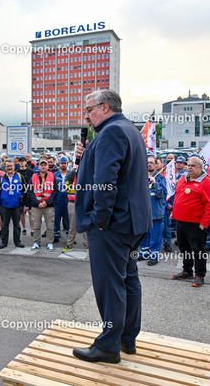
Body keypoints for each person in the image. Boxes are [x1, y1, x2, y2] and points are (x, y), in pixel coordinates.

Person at [72, 89, 152, 364]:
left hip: (113, 224)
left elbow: (106, 181)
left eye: (89, 109)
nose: (86, 115)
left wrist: (100, 220)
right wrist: (87, 154)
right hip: (132, 221)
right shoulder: (127, 129)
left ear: (105, 107)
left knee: (110, 284)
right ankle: (127, 338)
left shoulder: (111, 132)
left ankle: (108, 345)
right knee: (128, 278)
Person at [171, 157, 210, 287]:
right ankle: (187, 271)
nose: (189, 168)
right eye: (188, 165)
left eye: (193, 166)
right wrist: (174, 212)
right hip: (181, 221)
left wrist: (205, 222)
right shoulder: (183, 178)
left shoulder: (207, 182)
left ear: (200, 168)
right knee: (184, 248)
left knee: (198, 251)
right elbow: (178, 196)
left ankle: (200, 275)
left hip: (196, 224)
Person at [138, 155, 167, 265]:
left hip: (155, 213)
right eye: (147, 162)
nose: (149, 164)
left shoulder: (160, 178)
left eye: (151, 162)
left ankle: (154, 256)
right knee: (144, 235)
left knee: (155, 236)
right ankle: (144, 253)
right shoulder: (140, 177)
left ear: (155, 165)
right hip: (143, 213)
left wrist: (155, 184)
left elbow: (162, 195)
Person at [0, 160, 27, 249]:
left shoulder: (20, 177)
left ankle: (17, 242)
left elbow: (25, 191)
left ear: (14, 166)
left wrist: (25, 205)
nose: (9, 168)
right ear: (5, 168)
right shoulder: (1, 178)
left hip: (16, 205)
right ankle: (4, 242)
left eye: (11, 166)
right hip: (4, 206)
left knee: (17, 225)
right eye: (7, 166)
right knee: (5, 225)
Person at [28, 159, 58, 251]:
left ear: (48, 166)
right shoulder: (33, 177)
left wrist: (47, 202)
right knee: (36, 225)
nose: (43, 166)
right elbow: (30, 192)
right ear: (39, 166)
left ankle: (50, 243)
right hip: (36, 206)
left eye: (45, 165)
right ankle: (36, 242)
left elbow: (55, 192)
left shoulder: (52, 177)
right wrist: (38, 203)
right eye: (42, 165)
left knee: (50, 226)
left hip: (48, 205)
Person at [62, 167, 87, 253]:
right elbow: (68, 188)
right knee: (72, 226)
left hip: (84, 203)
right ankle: (70, 245)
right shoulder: (71, 175)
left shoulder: (87, 173)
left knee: (85, 225)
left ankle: (88, 245)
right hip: (73, 203)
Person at [53, 156, 70, 243]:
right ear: (59, 164)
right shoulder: (55, 175)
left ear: (67, 164)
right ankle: (56, 234)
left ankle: (69, 236)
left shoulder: (71, 174)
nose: (63, 165)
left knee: (68, 218)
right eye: (62, 163)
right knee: (57, 217)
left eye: (65, 163)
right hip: (58, 199)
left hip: (68, 199)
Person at [16, 156, 34, 236]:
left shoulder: (30, 171)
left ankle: (32, 229)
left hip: (30, 193)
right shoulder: (17, 172)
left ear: (26, 162)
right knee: (22, 212)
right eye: (20, 161)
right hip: (21, 194)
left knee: (30, 212)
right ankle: (24, 228)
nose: (21, 162)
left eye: (23, 161)